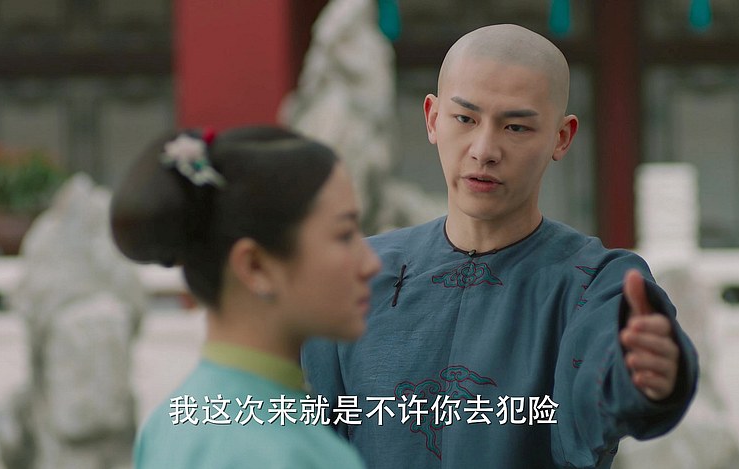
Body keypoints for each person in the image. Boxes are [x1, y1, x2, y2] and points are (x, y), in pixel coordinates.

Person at [302, 24, 699, 468]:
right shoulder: (355, 274)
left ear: (561, 138)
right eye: (465, 119)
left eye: (515, 127)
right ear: (432, 118)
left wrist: (648, 378)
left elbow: (607, 381)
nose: (484, 150)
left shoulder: (594, 284)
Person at [110, 126, 381, 468]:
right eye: (344, 235)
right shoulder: (275, 452)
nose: (371, 263)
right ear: (255, 266)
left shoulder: (170, 422)